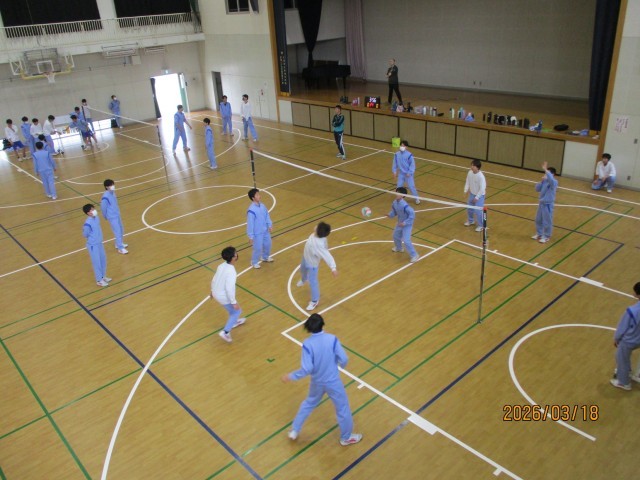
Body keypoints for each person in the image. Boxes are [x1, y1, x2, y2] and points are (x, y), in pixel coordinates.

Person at [281, 313, 362, 446]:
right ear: (322, 324)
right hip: (333, 382)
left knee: (308, 403)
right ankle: (346, 437)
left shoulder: (307, 344)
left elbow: (307, 368)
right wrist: (340, 366)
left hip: (317, 382)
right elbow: (344, 359)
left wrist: (291, 376)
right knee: (342, 408)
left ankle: (294, 430)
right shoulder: (332, 339)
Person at [296, 222, 338, 311]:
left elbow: (327, 255)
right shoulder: (315, 234)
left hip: (312, 265)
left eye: (317, 227)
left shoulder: (319, 245)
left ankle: (315, 301)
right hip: (305, 257)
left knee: (313, 282)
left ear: (318, 232)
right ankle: (304, 279)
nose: (315, 226)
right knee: (302, 270)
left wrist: (333, 268)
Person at [211, 246, 246, 343]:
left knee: (232, 312)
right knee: (237, 311)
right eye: (235, 253)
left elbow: (214, 279)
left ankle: (234, 321)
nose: (237, 254)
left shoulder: (221, 265)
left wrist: (212, 291)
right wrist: (233, 302)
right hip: (223, 296)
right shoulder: (231, 271)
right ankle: (225, 332)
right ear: (233, 257)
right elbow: (229, 289)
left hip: (216, 292)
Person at [610, 282, 640, 391]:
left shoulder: (632, 311)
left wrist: (616, 339)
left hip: (630, 340)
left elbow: (622, 328)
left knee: (621, 358)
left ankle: (624, 383)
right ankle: (637, 375)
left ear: (638, 295)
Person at [82, 204, 111, 287]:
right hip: (93, 246)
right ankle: (99, 280)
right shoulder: (87, 224)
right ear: (88, 213)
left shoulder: (96, 218)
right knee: (97, 262)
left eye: (93, 208)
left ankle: (103, 276)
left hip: (99, 243)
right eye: (92, 209)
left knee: (103, 260)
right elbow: (85, 234)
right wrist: (93, 239)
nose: (94, 210)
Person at [389, 187, 419, 263]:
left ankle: (414, 255)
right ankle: (399, 248)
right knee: (395, 236)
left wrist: (405, 223)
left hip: (407, 225)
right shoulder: (394, 202)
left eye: (399, 193)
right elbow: (394, 211)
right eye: (396, 192)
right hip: (400, 223)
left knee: (406, 240)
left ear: (403, 195)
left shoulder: (405, 206)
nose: (397, 194)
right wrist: (390, 215)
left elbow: (412, 215)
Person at [247, 188, 273, 269]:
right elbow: (250, 224)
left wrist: (269, 225)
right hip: (257, 233)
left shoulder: (262, 206)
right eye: (257, 195)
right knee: (257, 248)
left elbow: (267, 216)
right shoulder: (251, 210)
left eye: (259, 194)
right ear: (253, 198)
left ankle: (265, 257)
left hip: (265, 231)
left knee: (268, 244)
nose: (259, 196)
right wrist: (251, 236)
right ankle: (254, 262)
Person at [532, 161, 558, 244]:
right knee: (538, 219)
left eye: (548, 173)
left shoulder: (554, 182)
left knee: (547, 221)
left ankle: (547, 236)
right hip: (541, 203)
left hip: (548, 204)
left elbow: (551, 179)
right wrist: (541, 181)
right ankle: (539, 233)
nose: (546, 174)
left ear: (552, 174)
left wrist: (545, 170)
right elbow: (537, 189)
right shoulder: (544, 181)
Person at [101, 179, 128, 255]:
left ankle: (118, 243)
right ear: (106, 187)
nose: (112, 186)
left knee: (121, 229)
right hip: (112, 217)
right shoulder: (105, 197)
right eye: (110, 185)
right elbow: (103, 208)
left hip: (117, 214)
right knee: (117, 231)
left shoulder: (113, 193)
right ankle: (120, 248)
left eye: (113, 184)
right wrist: (105, 216)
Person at [392, 140, 420, 205]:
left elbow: (412, 165)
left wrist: (409, 172)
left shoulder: (409, 155)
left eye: (403, 146)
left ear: (406, 147)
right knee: (399, 187)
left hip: (408, 174)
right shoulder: (396, 154)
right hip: (401, 174)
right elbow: (394, 164)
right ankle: (399, 199)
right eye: (401, 145)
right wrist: (394, 171)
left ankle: (417, 198)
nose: (402, 147)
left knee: (411, 187)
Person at [463, 159, 487, 232]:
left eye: (473, 166)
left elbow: (482, 188)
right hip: (472, 194)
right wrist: (465, 190)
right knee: (469, 209)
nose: (472, 167)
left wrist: (477, 197)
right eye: (471, 165)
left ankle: (481, 225)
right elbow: (467, 181)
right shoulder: (470, 172)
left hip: (480, 196)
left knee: (478, 211)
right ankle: (471, 221)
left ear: (477, 167)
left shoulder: (481, 177)